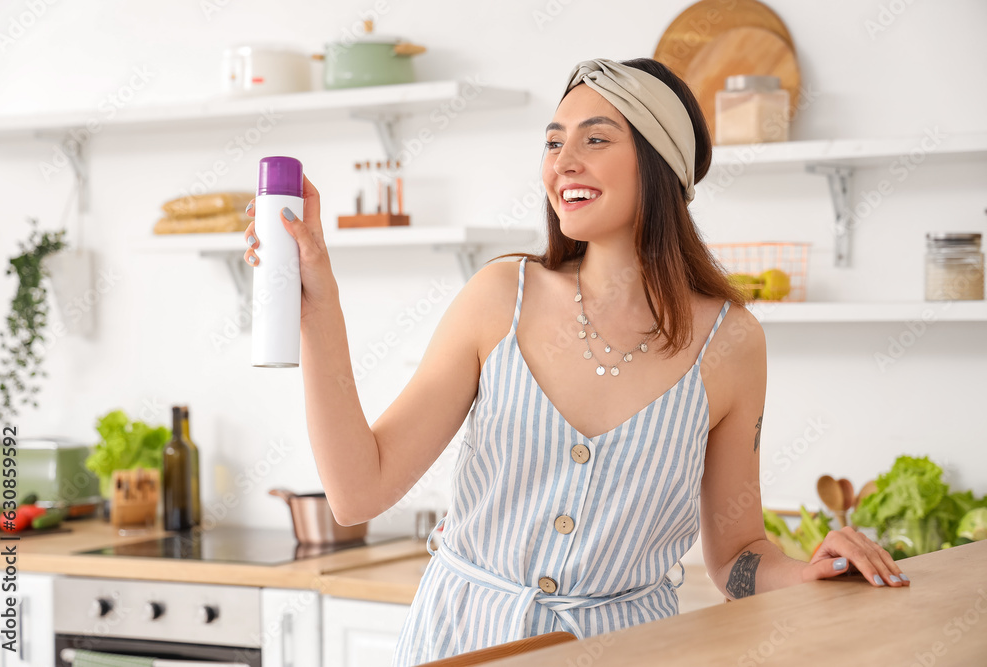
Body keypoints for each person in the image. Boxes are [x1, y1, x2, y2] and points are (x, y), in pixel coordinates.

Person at [243, 57, 909, 666]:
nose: (563, 161)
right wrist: (318, 305)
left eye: (595, 138)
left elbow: (737, 553)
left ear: (660, 163)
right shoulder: (500, 297)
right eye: (554, 141)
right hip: (460, 643)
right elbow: (360, 491)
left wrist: (805, 570)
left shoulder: (732, 342)